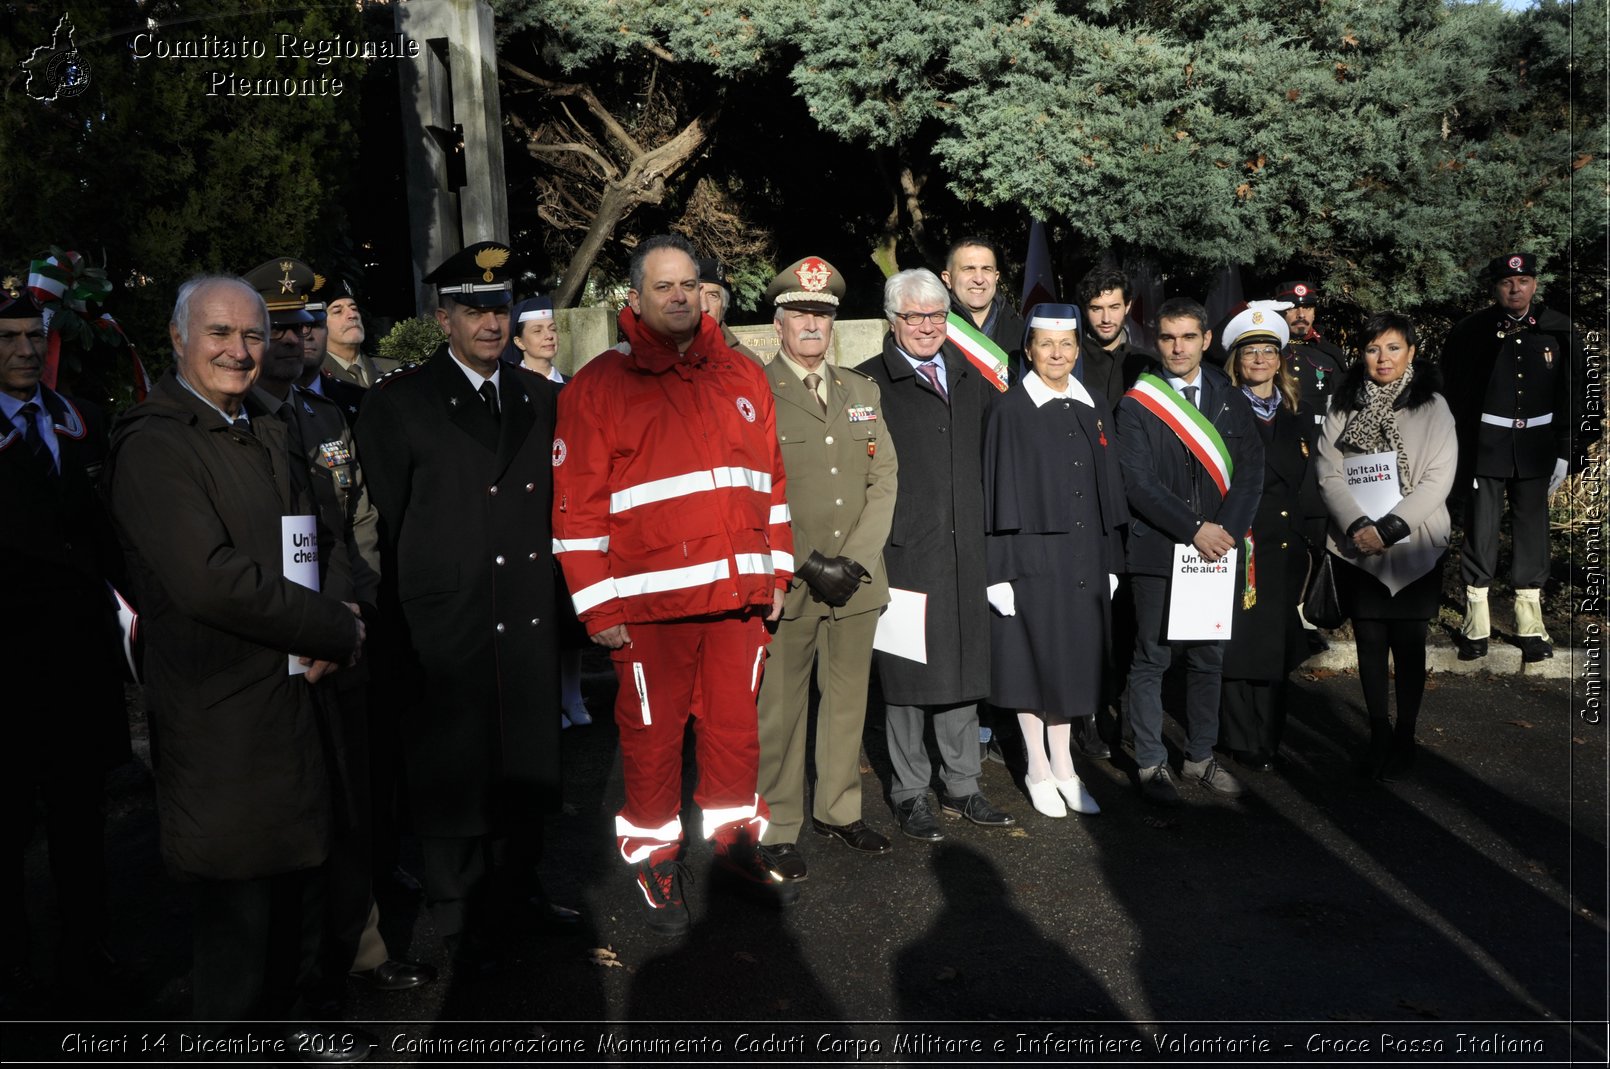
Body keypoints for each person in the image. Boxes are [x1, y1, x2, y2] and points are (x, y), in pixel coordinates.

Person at [107, 275, 367, 1049]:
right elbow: (208, 579)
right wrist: (334, 627)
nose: (239, 350)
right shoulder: (154, 444)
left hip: (293, 705)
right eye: (219, 333)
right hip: (221, 719)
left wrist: (338, 615)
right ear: (180, 340)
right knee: (237, 933)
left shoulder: (264, 425)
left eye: (253, 335)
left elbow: (320, 534)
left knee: (291, 914)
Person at [551, 234, 795, 936]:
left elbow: (771, 486)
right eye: (664, 286)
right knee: (652, 739)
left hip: (738, 601)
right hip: (649, 607)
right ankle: (654, 853)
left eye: (689, 283)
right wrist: (597, 607)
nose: (680, 296)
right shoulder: (598, 386)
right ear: (636, 297)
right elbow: (575, 509)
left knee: (733, 733)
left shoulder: (742, 377)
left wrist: (776, 568)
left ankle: (731, 847)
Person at [355, 241, 566, 971]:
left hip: (525, 609)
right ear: (442, 317)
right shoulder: (399, 403)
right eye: (474, 309)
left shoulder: (540, 397)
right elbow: (379, 521)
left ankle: (520, 889)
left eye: (501, 307)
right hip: (446, 619)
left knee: (525, 757)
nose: (491, 322)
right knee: (454, 769)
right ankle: (455, 911)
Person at [242, 258, 434, 1009]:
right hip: (278, 648)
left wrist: (357, 608)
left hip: (345, 633)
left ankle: (362, 946)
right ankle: (288, 973)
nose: (295, 339)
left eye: (305, 324)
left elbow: (357, 523)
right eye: (279, 325)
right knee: (291, 814)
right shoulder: (241, 420)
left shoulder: (325, 416)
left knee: (354, 803)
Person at [0, 287, 130, 1012]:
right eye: (8, 336)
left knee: (82, 824)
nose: (23, 349)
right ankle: (10, 965)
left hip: (79, 661)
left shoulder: (82, 421)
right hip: (8, 668)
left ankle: (88, 953)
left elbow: (109, 536)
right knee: (9, 827)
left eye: (32, 336)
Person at [754, 256, 899, 883]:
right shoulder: (755, 392)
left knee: (846, 704)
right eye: (799, 314)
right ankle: (777, 825)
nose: (811, 324)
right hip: (791, 577)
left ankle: (839, 810)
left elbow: (884, 478)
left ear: (833, 323)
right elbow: (756, 492)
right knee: (780, 709)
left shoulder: (861, 392)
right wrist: (812, 561)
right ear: (778, 322)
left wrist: (856, 561)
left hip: (857, 579)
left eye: (822, 314)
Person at [860, 268, 1015, 841]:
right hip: (904, 551)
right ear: (891, 320)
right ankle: (908, 792)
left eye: (935, 315)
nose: (926, 326)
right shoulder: (869, 384)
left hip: (965, 549)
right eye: (913, 316)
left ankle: (964, 784)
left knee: (963, 667)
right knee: (907, 679)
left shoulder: (971, 379)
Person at [1117, 297, 1263, 806]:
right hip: (1159, 549)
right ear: (1155, 342)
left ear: (1205, 340)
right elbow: (1137, 484)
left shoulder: (1229, 396)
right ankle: (1151, 762)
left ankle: (1200, 755)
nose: (1177, 348)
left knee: (1207, 658)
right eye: (1166, 337)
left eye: (1187, 337)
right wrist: (1194, 527)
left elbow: (1250, 471)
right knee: (1151, 658)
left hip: (1215, 550)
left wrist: (1223, 530)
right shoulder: (1137, 402)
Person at [982, 304, 1127, 818]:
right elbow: (996, 493)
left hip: (1085, 555)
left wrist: (1111, 560)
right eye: (1046, 344)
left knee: (1072, 663)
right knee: (1031, 662)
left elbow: (1107, 490)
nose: (1058, 354)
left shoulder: (1091, 406)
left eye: (1066, 345)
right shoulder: (1010, 409)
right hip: (1030, 558)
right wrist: (997, 571)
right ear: (1029, 350)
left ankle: (1065, 765)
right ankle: (1036, 766)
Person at [1317, 313, 1456, 779]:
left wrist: (1391, 527)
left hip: (1415, 542)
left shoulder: (1432, 406)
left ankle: (1406, 735)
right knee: (1370, 642)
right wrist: (1359, 525)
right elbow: (1328, 469)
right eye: (1374, 348)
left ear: (1411, 353)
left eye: (1393, 348)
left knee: (1410, 643)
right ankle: (1377, 732)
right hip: (1358, 543)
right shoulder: (1343, 403)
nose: (1383, 358)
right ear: (1362, 353)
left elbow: (1438, 478)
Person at [1443, 253, 1579, 663]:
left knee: (1533, 530)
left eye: (1523, 281)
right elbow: (1453, 392)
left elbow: (1573, 395)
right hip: (1486, 444)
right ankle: (1476, 621)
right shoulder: (1472, 332)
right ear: (1495, 287)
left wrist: (1565, 450)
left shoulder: (1558, 329)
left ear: (1535, 285)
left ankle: (1530, 623)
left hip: (1537, 447)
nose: (1515, 289)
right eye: (1507, 282)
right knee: (1481, 528)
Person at [1216, 303, 1327, 772]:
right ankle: (1239, 737)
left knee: (1276, 647)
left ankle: (1269, 736)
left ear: (1280, 359)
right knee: (1236, 644)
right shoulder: (1221, 411)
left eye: (1268, 351)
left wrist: (1311, 546)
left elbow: (1312, 484)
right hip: (1238, 543)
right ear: (1236, 361)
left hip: (1283, 548)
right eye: (1249, 352)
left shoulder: (1298, 416)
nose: (1259, 360)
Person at [1075, 265, 1157, 419]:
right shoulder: (1067, 361)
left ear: (1127, 306)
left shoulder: (1149, 364)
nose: (1106, 319)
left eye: (1114, 307)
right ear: (1085, 310)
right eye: (1096, 308)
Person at [942, 237, 1025, 383]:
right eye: (968, 269)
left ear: (996, 277)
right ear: (948, 279)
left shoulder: (1023, 333)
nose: (979, 279)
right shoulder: (933, 331)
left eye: (986, 269)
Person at [1273, 280, 1347, 426]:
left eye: (1307, 307)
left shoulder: (1330, 354)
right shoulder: (1270, 351)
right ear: (1281, 312)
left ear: (1314, 313)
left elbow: (1341, 409)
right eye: (1293, 308)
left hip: (1317, 439)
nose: (1301, 315)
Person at [697, 257, 761, 363]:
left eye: (713, 296)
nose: (704, 307)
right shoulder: (662, 361)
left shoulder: (749, 363)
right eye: (696, 295)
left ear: (723, 306)